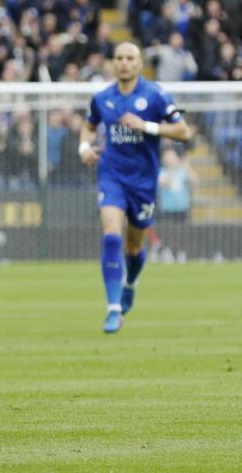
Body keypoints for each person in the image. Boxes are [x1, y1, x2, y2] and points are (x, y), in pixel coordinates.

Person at [78, 42, 192, 333]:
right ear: (113, 64)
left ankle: (130, 284)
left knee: (133, 246)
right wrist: (83, 148)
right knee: (112, 237)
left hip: (143, 182)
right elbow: (89, 126)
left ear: (140, 63)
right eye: (119, 58)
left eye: (130, 58)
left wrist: (148, 126)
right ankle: (113, 309)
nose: (124, 63)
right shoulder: (103, 98)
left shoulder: (155, 95)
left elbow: (183, 131)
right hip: (111, 176)